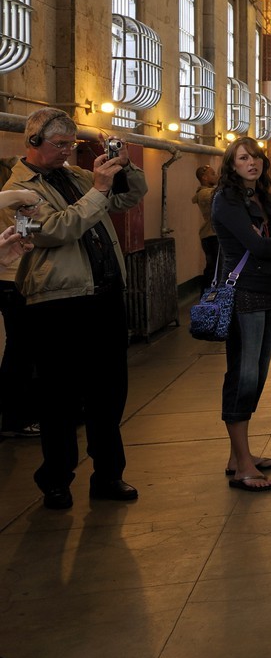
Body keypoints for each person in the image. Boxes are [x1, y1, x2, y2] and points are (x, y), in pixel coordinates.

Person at [10, 109, 147, 509]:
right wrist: (98, 190)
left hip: (104, 297)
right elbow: (53, 231)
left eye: (72, 144)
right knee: (60, 397)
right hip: (58, 304)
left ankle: (108, 475)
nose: (68, 151)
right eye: (60, 144)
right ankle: (56, 478)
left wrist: (124, 167)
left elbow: (126, 197)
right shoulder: (17, 189)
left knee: (109, 392)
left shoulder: (76, 177)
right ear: (33, 142)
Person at [211, 136, 271, 493]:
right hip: (244, 293)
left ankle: (238, 456)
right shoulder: (226, 200)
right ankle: (243, 466)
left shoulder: (262, 197)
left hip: (270, 291)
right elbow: (259, 245)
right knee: (243, 375)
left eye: (256, 157)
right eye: (243, 158)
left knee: (258, 373)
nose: (252, 163)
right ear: (232, 165)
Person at [0, 189, 40, 440]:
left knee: (20, 348)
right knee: (21, 349)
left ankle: (15, 418)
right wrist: (22, 195)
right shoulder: (19, 189)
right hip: (11, 280)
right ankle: (16, 418)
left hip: (11, 273)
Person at [193, 164, 219, 278]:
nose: (216, 176)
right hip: (211, 235)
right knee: (213, 268)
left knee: (215, 267)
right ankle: (207, 288)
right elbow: (217, 196)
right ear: (204, 178)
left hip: (212, 234)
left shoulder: (210, 191)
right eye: (213, 174)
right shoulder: (204, 193)